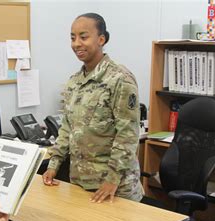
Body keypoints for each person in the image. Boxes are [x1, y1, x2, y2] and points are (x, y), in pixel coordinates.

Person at [43, 13, 143, 203]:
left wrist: (112, 180)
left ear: (101, 39)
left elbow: (127, 135)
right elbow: (67, 127)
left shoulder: (120, 79)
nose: (76, 44)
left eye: (83, 36)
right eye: (72, 38)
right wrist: (54, 165)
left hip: (115, 189)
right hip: (80, 183)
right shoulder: (74, 82)